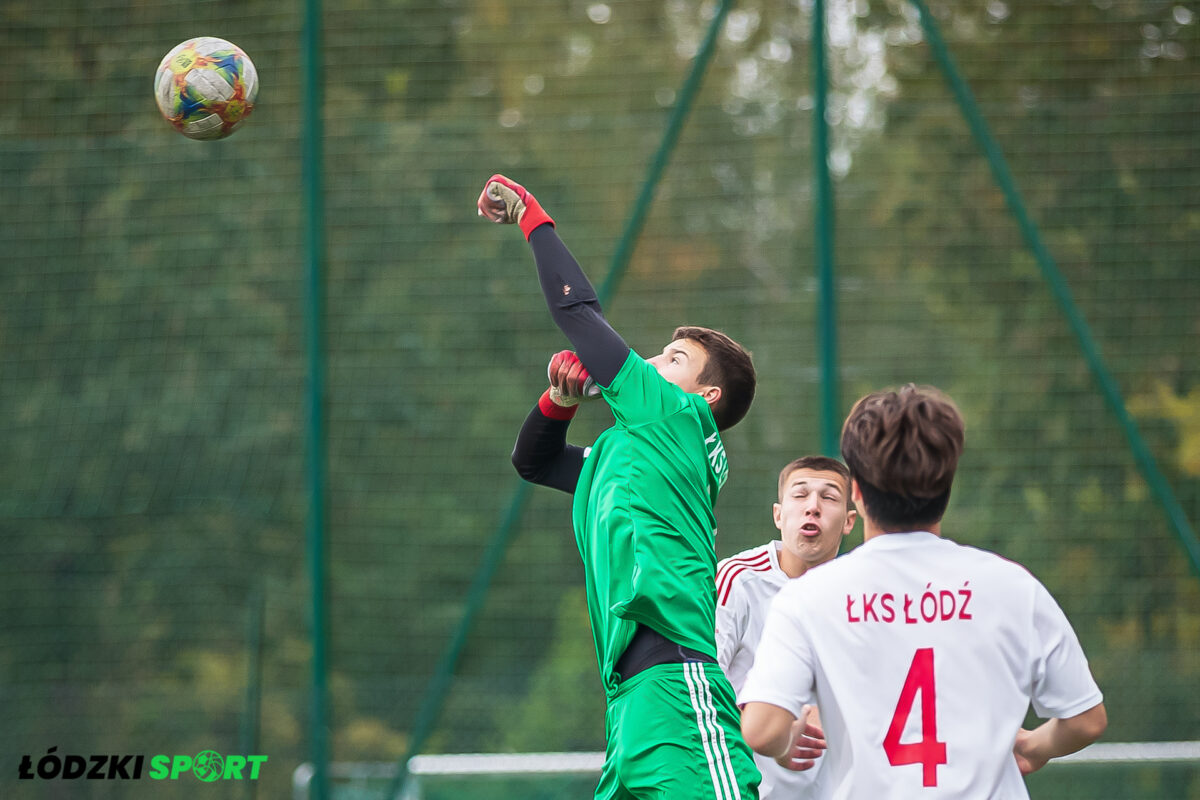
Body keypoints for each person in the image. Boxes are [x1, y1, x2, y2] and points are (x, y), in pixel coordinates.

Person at [479, 173, 769, 800]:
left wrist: (531, 215)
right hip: (629, 700)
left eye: (673, 358)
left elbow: (575, 312)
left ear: (705, 395)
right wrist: (557, 403)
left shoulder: (676, 419)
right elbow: (535, 462)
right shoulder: (634, 452)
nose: (653, 361)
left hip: (677, 685)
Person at [739, 384, 1107, 799]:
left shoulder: (807, 598)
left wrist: (786, 744)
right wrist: (1037, 747)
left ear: (855, 492)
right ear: (946, 485)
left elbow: (762, 728)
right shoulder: (1012, 587)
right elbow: (1085, 720)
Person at [716, 455, 855, 797]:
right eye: (800, 494)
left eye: (829, 497)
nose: (812, 507)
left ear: (850, 521)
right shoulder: (738, 578)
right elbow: (701, 685)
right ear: (778, 515)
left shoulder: (862, 593)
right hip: (745, 788)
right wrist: (771, 732)